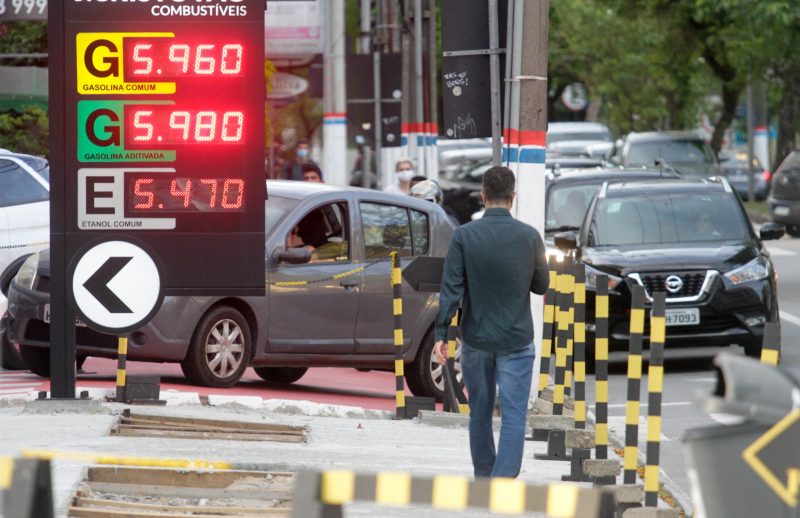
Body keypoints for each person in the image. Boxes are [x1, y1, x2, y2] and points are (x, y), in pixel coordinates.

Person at [434, 166, 549, 479]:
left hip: (475, 341)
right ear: (513, 197)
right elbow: (541, 285)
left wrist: (441, 334)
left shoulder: (463, 237)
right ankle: (503, 482)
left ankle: (485, 479)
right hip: (517, 340)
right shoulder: (530, 237)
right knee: (513, 416)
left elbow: (451, 291)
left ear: (483, 196)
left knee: (480, 415)